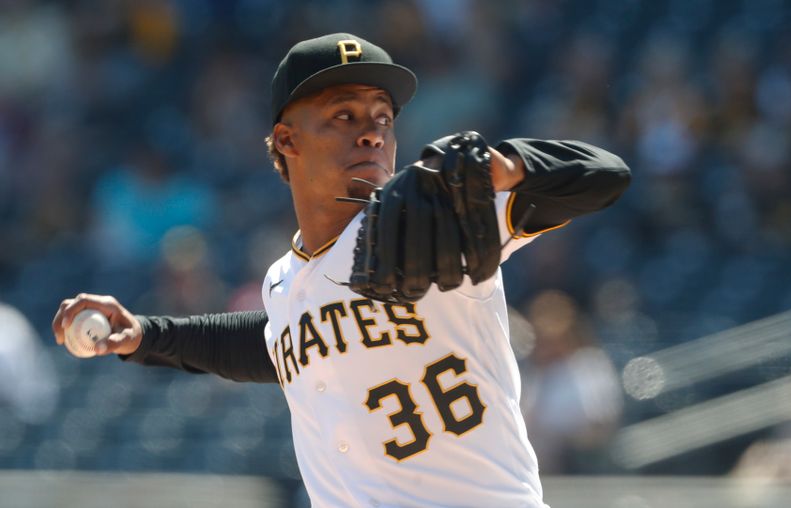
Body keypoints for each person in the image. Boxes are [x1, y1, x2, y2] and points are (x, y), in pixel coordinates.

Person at [53, 33, 630, 507]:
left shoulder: (440, 218)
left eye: (383, 116)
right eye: (343, 114)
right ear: (286, 139)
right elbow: (277, 343)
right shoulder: (285, 280)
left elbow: (605, 174)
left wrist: (506, 166)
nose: (371, 130)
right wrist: (147, 335)